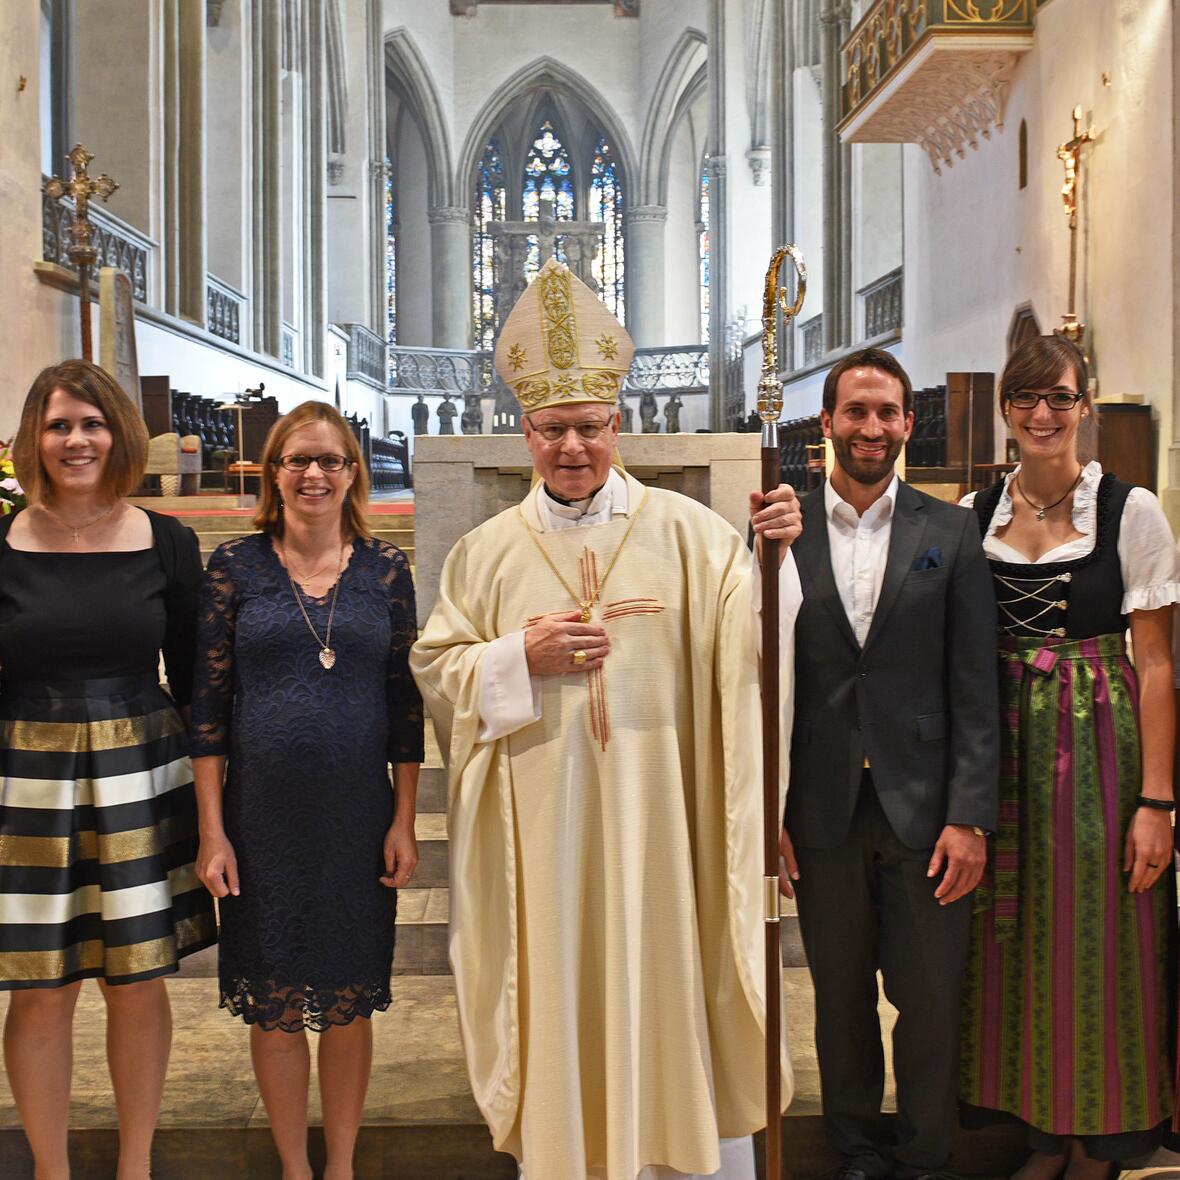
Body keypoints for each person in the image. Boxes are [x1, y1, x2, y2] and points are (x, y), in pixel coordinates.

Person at [410, 259, 801, 1180]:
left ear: (617, 424)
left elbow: (756, 650)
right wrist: (517, 659)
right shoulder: (486, 554)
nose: (572, 448)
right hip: (546, 838)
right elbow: (437, 667)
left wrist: (777, 564)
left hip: (668, 830)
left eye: (589, 427)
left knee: (670, 978)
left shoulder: (692, 537)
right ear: (526, 430)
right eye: (553, 430)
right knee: (562, 987)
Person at [958, 335, 1178, 1178]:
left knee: (1103, 938)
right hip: (1004, 745)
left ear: (1085, 404)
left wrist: (1157, 804)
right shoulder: (978, 514)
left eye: (1059, 398)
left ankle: (1099, 1145)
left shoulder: (1131, 510)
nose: (1043, 414)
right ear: (1007, 410)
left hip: (1100, 753)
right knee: (1012, 945)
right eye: (1026, 398)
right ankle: (1042, 1136)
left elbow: (1156, 664)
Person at [780, 347, 1000, 1180]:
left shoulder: (950, 530)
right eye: (855, 412)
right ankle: (857, 1150)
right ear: (826, 423)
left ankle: (925, 1155)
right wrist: (769, 808)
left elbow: (975, 685)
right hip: (822, 806)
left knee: (930, 1001)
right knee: (838, 999)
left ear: (908, 424)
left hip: (927, 807)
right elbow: (759, 679)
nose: (870, 428)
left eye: (886, 413)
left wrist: (971, 814)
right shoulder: (781, 526)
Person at [191, 401, 424, 1180]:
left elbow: (405, 707)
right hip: (260, 822)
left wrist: (405, 820)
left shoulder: (387, 570)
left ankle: (344, 1165)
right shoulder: (234, 567)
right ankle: (295, 1167)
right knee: (276, 997)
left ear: (352, 473)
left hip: (356, 818)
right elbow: (208, 712)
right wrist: (213, 832)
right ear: (274, 473)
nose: (313, 474)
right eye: (297, 460)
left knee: (348, 998)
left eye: (329, 460)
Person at [0, 359, 217, 1180]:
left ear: (119, 433)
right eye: (58, 425)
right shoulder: (5, 539)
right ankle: (50, 1170)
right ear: (34, 438)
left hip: (141, 771)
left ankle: (136, 1164)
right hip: (25, 779)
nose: (76, 440)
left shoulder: (167, 541)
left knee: (134, 982)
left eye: (91, 424)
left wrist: (216, 807)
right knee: (40, 988)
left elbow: (198, 683)